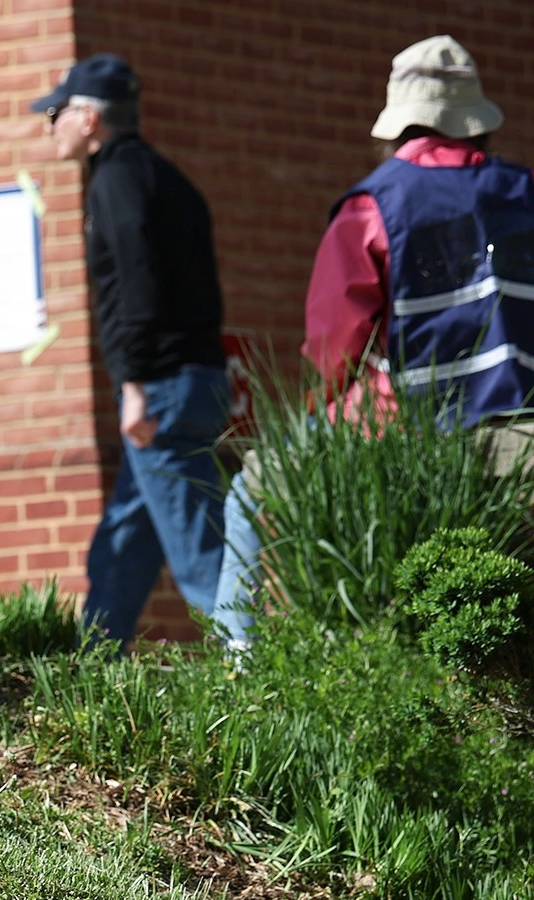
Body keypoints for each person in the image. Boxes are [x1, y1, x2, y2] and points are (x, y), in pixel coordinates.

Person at [214, 34, 534, 642]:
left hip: (407, 427)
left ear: (400, 125)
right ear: (475, 124)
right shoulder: (526, 193)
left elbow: (334, 347)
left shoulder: (373, 206)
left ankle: (238, 667)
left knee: (248, 493)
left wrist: (318, 407)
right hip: (525, 422)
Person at [30, 54, 231, 649]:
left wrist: (136, 385)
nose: (51, 126)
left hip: (161, 389)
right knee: (124, 540)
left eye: (55, 113)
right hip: (191, 379)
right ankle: (93, 667)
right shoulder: (168, 178)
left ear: (89, 118)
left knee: (200, 555)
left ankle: (257, 679)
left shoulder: (115, 179)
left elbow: (136, 287)